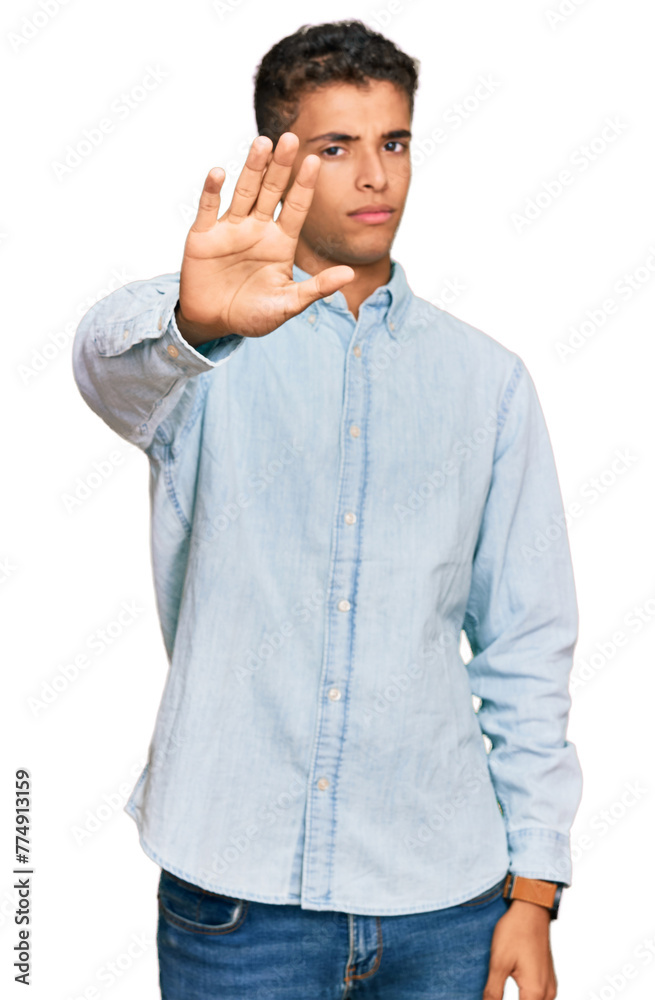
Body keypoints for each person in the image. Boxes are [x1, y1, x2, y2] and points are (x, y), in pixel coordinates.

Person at [72, 18, 582, 1000]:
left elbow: (527, 642)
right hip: (236, 902)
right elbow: (104, 370)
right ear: (279, 158)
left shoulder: (487, 384)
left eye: (392, 143)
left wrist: (534, 885)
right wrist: (194, 325)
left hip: (447, 902)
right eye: (336, 147)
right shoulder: (200, 343)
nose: (375, 176)